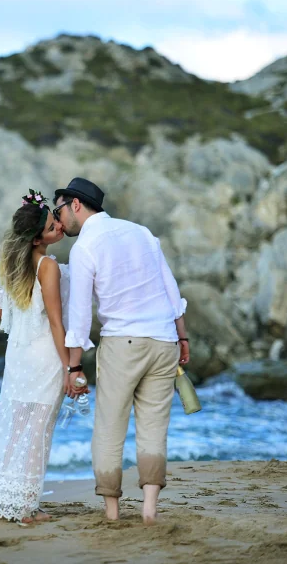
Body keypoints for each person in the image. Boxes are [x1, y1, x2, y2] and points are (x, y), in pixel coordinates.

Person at [53, 177, 190, 525]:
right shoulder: (141, 232)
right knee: (154, 427)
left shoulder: (86, 246)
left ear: (77, 205)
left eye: (60, 209)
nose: (59, 218)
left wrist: (73, 367)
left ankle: (112, 512)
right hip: (163, 341)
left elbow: (81, 317)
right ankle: (149, 509)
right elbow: (170, 288)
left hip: (123, 344)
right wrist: (183, 338)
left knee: (110, 428)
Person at [0, 189, 82, 524]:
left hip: (18, 356)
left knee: (15, 427)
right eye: (50, 227)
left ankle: (1, 496)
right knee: (37, 430)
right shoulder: (48, 267)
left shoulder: (14, 264)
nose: (58, 228)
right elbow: (57, 323)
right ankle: (25, 507)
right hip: (43, 356)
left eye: (55, 221)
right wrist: (69, 366)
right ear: (35, 240)